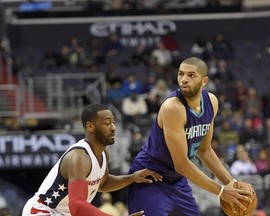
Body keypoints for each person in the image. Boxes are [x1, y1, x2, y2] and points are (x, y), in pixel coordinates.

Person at [127, 57, 252, 216]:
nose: (184, 79)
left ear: (204, 80)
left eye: (191, 75)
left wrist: (232, 183)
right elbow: (182, 164)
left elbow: (204, 150)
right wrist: (221, 191)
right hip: (149, 179)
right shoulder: (173, 107)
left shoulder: (211, 102)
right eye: (181, 74)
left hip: (176, 179)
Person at [22, 103, 162, 216]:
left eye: (113, 122)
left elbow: (103, 184)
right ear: (90, 126)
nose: (113, 128)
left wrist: (132, 178)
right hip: (42, 210)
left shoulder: (103, 154)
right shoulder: (79, 157)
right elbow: (77, 205)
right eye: (107, 123)